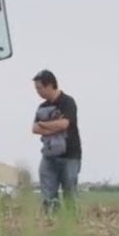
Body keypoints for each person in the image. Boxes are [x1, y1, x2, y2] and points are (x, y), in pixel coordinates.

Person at [30, 69, 81, 212]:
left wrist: (45, 125)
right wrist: (54, 126)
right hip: (49, 155)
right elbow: (35, 128)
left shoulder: (68, 102)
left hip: (69, 155)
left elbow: (65, 124)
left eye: (39, 88)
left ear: (50, 85)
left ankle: (71, 223)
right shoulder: (42, 107)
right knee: (47, 192)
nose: (38, 92)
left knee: (70, 191)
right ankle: (51, 221)